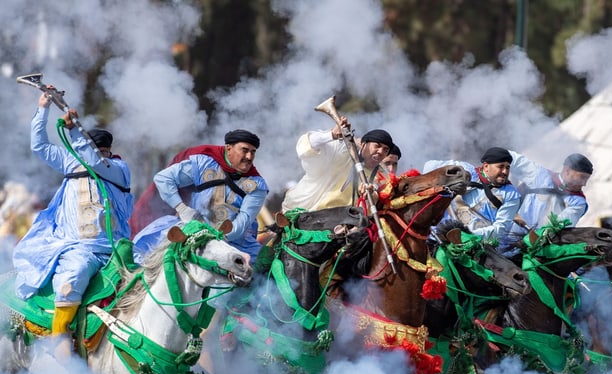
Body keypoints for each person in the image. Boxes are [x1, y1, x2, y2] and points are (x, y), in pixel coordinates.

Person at [13, 88, 133, 346]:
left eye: (104, 151)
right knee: (73, 276)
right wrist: (43, 108)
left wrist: (75, 131)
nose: (100, 155)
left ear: (109, 151)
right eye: (96, 149)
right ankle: (59, 341)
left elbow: (95, 162)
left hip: (114, 248)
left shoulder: (118, 169)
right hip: (78, 248)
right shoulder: (70, 160)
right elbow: (40, 146)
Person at [133, 129, 268, 262]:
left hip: (234, 243)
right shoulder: (203, 163)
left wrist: (214, 238)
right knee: (146, 255)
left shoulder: (257, 185)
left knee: (267, 269)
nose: (249, 157)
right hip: (191, 231)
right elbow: (163, 179)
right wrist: (182, 209)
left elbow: (242, 223)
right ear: (228, 148)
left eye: (253, 152)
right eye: (244, 150)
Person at [281, 116, 395, 212]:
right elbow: (307, 145)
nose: (381, 152)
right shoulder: (341, 149)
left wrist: (371, 193)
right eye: (377, 146)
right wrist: (332, 135)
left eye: (385, 150)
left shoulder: (383, 175)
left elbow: (379, 197)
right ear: (364, 144)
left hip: (347, 224)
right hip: (310, 212)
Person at [423, 147, 521, 242]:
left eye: (507, 167)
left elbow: (500, 229)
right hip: (441, 235)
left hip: (480, 245)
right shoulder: (466, 170)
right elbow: (429, 167)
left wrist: (468, 236)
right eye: (501, 167)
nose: (505, 171)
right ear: (486, 166)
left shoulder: (511, 194)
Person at [506, 151, 593, 238]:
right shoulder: (541, 176)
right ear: (567, 171)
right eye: (582, 177)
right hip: (506, 238)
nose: (584, 183)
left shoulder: (578, 202)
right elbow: (514, 160)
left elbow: (557, 226)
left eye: (586, 179)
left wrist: (536, 239)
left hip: (539, 247)